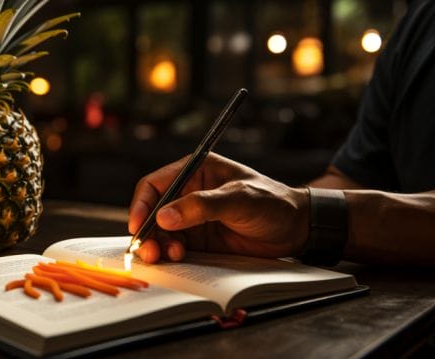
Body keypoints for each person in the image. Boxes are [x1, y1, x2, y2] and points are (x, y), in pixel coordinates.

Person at [128, 0, 435, 267]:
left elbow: (312, 212)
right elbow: (352, 179)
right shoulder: (418, 24)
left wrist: (301, 217)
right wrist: (249, 214)